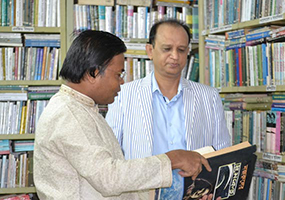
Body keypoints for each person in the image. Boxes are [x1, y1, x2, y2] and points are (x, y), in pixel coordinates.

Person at [33, 30, 215, 200]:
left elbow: (116, 184)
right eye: (118, 74)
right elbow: (109, 178)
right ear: (93, 73)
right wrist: (172, 159)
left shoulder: (82, 108)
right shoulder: (67, 114)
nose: (121, 83)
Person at [106, 19, 231, 199]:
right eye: (167, 49)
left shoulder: (208, 96)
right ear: (150, 50)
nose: (175, 56)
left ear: (188, 52)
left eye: (181, 50)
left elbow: (222, 153)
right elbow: (112, 154)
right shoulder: (123, 95)